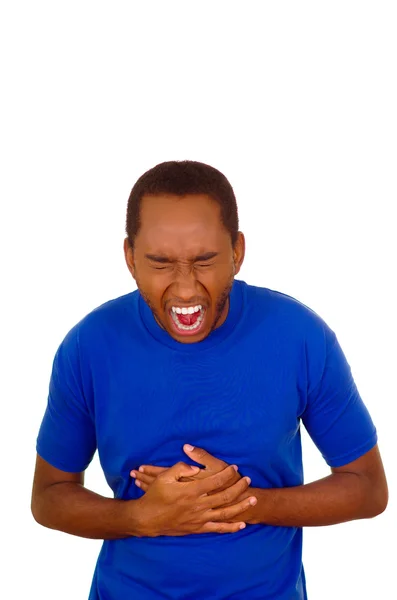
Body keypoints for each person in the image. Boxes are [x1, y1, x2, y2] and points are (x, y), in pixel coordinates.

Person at [31, 160, 388, 599]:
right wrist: (142, 518)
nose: (184, 289)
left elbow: (368, 489)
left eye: (204, 260)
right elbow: (49, 496)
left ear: (237, 251)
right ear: (130, 259)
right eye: (160, 263)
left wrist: (241, 502)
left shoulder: (299, 336)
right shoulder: (88, 346)